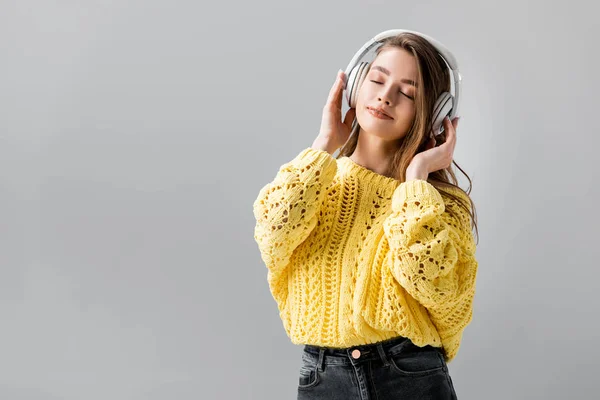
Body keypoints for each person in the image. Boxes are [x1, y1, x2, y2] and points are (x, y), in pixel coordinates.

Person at [252, 32, 479, 399]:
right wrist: (324, 145)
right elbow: (273, 235)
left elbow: (441, 290)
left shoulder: (436, 203)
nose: (385, 96)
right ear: (356, 83)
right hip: (322, 378)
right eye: (376, 79)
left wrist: (416, 177)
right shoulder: (316, 181)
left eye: (407, 92)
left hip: (409, 376)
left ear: (434, 115)